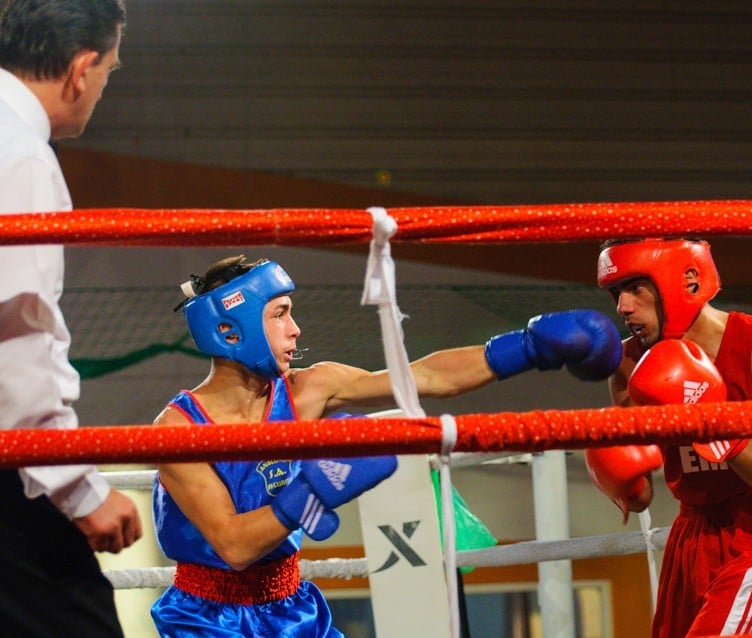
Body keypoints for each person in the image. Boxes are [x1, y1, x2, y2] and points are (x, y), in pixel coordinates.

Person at [150, 255, 623, 637]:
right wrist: (311, 495)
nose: (295, 329)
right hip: (208, 619)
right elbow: (233, 546)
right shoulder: (178, 429)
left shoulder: (306, 390)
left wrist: (529, 347)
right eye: (279, 314)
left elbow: (426, 377)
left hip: (292, 607)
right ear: (232, 330)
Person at [0, 2, 142, 637]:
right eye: (110, 71)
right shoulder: (21, 155)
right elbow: (15, 341)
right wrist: (79, 490)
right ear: (81, 69)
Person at [584, 238, 752, 637]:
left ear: (686, 280)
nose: (623, 307)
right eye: (616, 293)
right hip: (689, 532)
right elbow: (641, 498)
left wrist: (710, 419)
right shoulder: (627, 363)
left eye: (636, 287)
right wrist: (614, 470)